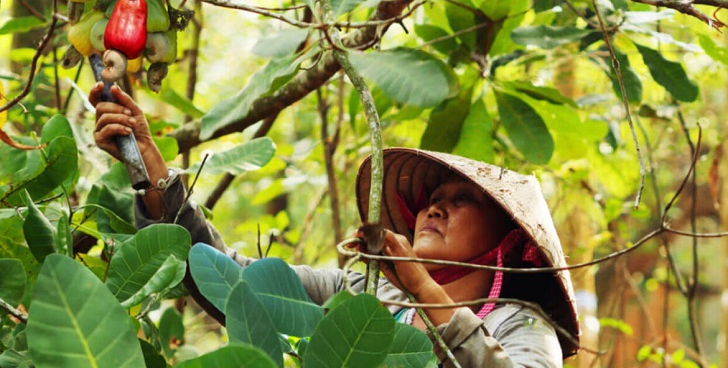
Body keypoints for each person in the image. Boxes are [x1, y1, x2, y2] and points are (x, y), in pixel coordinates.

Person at [91, 83, 580, 367]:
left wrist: (419, 282)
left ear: (510, 237)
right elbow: (234, 283)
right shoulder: (361, 294)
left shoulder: (521, 325)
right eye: (433, 200)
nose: (435, 209)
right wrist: (149, 169)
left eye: (461, 200)